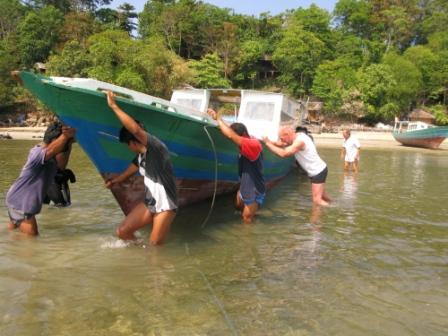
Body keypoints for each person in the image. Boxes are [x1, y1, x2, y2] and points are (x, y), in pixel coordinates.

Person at [105, 91, 177, 245]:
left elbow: (136, 131)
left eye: (128, 144)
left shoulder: (157, 148)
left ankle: (153, 260)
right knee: (122, 232)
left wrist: (114, 106)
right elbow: (129, 172)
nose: (129, 148)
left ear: (133, 142)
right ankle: (140, 252)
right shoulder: (141, 157)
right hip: (150, 202)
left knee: (154, 248)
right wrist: (114, 181)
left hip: (165, 204)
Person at [5, 122, 76, 236]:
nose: (66, 146)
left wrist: (69, 137)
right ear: (54, 141)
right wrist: (65, 136)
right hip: (22, 202)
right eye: (64, 144)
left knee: (13, 236)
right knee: (31, 243)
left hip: (17, 199)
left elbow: (60, 157)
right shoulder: (38, 154)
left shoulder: (49, 157)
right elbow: (52, 149)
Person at [207, 108, 266, 223]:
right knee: (238, 207)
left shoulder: (253, 144)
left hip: (255, 189)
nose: (235, 142)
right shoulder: (247, 140)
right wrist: (217, 118)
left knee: (246, 218)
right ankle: (254, 211)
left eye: (237, 138)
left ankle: (247, 238)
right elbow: (231, 133)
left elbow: (230, 136)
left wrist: (218, 119)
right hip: (245, 185)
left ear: (243, 135)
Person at [263, 126, 331, 206]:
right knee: (322, 196)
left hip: (317, 172)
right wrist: (268, 141)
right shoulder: (298, 135)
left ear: (287, 134)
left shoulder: (300, 142)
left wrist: (268, 144)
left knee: (317, 200)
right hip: (318, 170)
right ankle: (333, 203)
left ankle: (331, 210)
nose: (281, 141)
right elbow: (283, 143)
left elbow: (284, 153)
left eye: (281, 138)